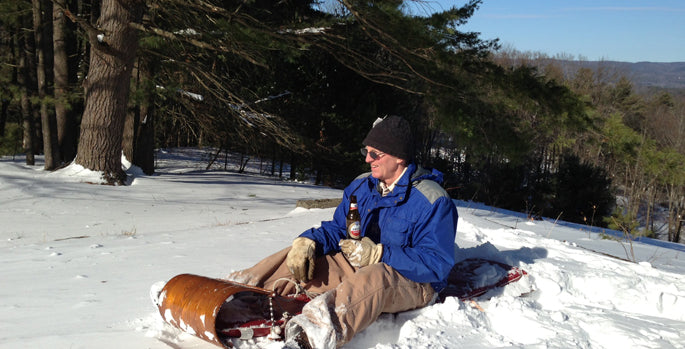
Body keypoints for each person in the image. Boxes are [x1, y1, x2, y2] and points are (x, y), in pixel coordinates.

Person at [227, 115, 459, 348]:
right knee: (302, 257)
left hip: (415, 283)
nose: (368, 159)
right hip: (359, 265)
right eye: (366, 152)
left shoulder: (433, 200)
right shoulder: (362, 185)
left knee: (375, 277)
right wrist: (309, 240)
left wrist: (380, 254)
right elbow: (340, 228)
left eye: (375, 154)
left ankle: (311, 336)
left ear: (399, 157)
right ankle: (234, 293)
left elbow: (436, 263)